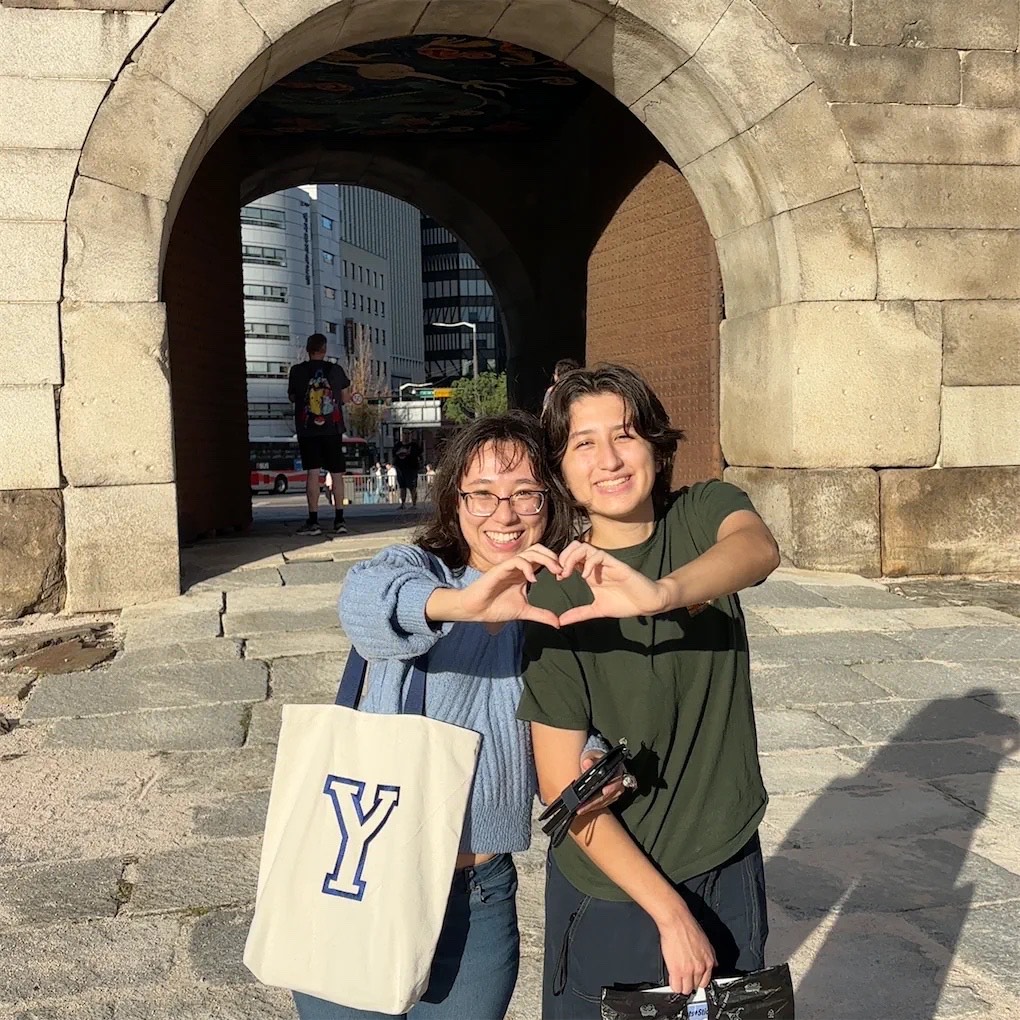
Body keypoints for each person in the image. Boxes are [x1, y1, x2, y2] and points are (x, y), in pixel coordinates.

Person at [293, 412, 624, 1020]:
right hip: (363, 876)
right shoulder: (420, 573)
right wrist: (463, 604)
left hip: (475, 895)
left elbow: (577, 711)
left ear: (550, 503)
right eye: (483, 495)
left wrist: (592, 755)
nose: (504, 514)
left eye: (525, 493)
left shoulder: (563, 606)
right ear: (455, 501)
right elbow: (364, 606)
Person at [517, 364, 782, 1018]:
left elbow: (758, 548)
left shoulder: (701, 516)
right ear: (562, 469)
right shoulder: (555, 596)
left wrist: (662, 593)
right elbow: (561, 791)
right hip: (609, 889)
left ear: (657, 450)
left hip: (725, 862)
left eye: (626, 435)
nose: (608, 459)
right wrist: (668, 914)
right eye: (583, 443)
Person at [287, 333, 352, 536]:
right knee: (337, 474)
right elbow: (345, 397)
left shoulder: (297, 371)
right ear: (324, 350)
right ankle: (339, 519)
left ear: (308, 349)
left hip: (308, 430)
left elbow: (291, 396)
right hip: (332, 429)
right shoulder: (336, 370)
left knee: (313, 473)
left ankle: (313, 521)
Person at [393, 435, 423, 510]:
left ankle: (414, 504)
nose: (405, 436)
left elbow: (419, 453)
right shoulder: (398, 445)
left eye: (407, 434)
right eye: (404, 434)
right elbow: (394, 453)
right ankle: (403, 504)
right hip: (400, 469)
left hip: (411, 469)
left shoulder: (414, 445)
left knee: (412, 487)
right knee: (402, 487)